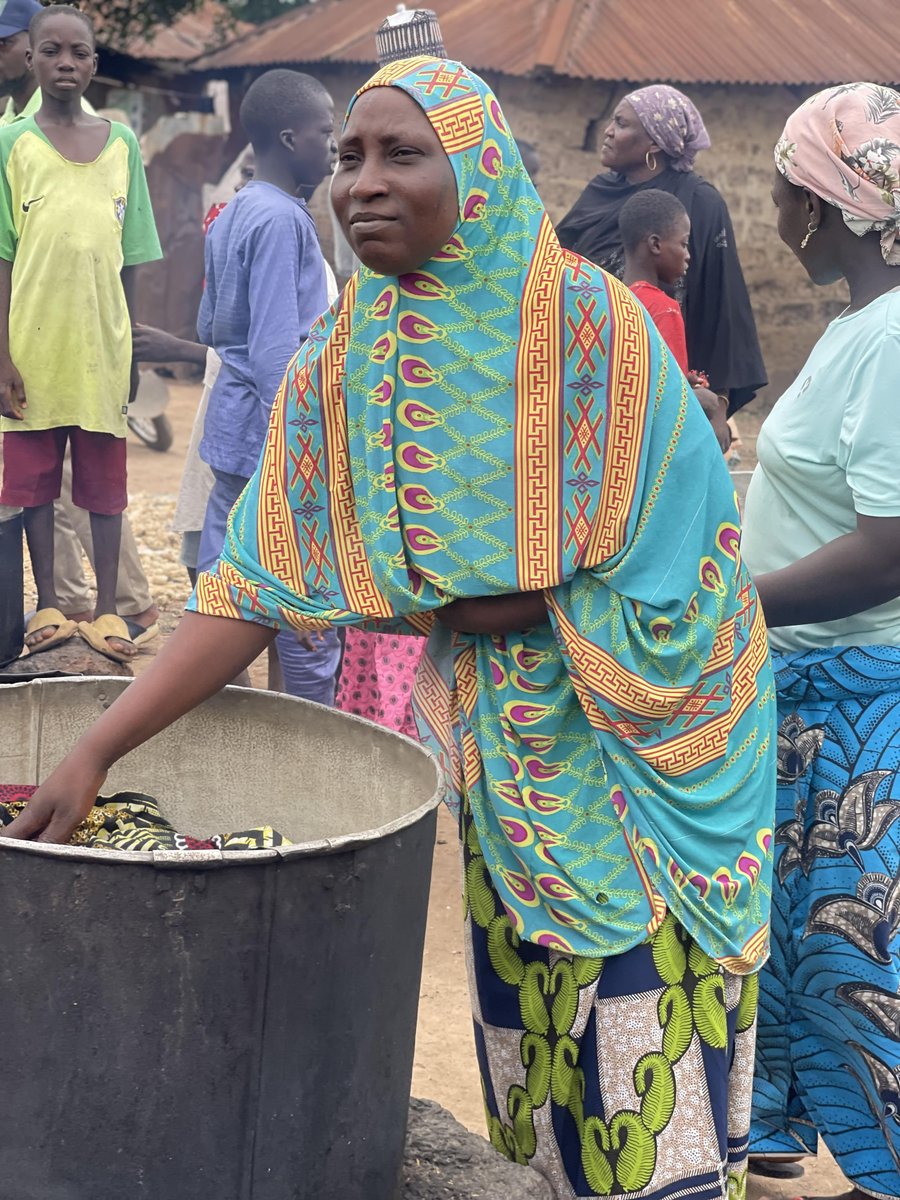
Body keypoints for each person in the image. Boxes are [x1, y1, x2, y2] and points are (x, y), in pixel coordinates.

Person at [2, 59, 776, 1200]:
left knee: (642, 1064)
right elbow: (253, 587)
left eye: (400, 154)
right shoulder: (340, 363)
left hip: (647, 759)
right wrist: (95, 749)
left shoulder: (586, 327)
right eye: (347, 157)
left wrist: (469, 603)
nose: (361, 183)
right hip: (511, 763)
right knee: (536, 1057)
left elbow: (672, 558)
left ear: (478, 170)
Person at [741, 83, 900, 1200]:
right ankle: (784, 1138)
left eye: (786, 189)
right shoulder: (860, 326)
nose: (776, 212)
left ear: (830, 206)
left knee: (856, 959)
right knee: (802, 948)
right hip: (817, 696)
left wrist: (731, 613)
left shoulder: (892, 338)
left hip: (860, 708)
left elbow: (892, 548)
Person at [0, 5, 162, 661]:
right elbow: (4, 255)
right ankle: (47, 604)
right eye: (53, 52)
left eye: (80, 53)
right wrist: (3, 355)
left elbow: (133, 252)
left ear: (95, 64)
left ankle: (107, 613)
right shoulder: (12, 144)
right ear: (32, 59)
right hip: (33, 349)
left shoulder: (122, 145)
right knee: (33, 485)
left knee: (104, 486)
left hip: (101, 347)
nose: (66, 63)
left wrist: (129, 348)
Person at [195, 67, 341, 706]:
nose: (336, 144)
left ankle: (231, 715)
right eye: (326, 130)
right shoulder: (284, 220)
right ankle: (305, 740)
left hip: (231, 419)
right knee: (302, 604)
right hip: (274, 431)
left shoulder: (235, 210)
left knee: (223, 576)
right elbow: (278, 349)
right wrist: (302, 443)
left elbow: (209, 323)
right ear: (289, 138)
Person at [556, 84, 766, 432]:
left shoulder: (699, 202)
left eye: (622, 124)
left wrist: (719, 403)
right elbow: (558, 274)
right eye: (612, 121)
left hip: (668, 390)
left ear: (655, 142)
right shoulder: (598, 194)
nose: (608, 131)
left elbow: (721, 306)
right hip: (590, 380)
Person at [620, 189, 692, 373]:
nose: (688, 256)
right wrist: (697, 397)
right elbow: (671, 394)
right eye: (683, 245)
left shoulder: (611, 300)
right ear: (655, 245)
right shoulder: (664, 309)